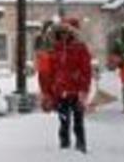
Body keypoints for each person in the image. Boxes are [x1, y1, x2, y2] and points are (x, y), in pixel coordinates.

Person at [46, 17, 91, 153]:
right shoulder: (55, 50)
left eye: (67, 33)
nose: (64, 35)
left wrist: (83, 89)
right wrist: (51, 90)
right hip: (61, 91)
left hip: (76, 91)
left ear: (71, 34)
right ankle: (64, 146)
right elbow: (51, 71)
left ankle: (80, 145)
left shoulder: (80, 49)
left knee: (78, 121)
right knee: (63, 122)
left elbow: (86, 70)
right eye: (61, 33)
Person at [34, 20, 56, 112]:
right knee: (45, 87)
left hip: (51, 65)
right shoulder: (39, 38)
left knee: (51, 87)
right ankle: (47, 105)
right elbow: (37, 50)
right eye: (48, 28)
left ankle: (52, 104)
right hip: (44, 65)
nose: (49, 31)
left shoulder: (55, 38)